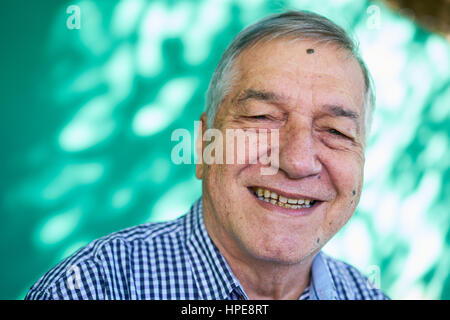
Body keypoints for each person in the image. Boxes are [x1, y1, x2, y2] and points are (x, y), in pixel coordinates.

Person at [26, 10, 390, 300]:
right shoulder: (91, 290)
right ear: (203, 146)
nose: (297, 161)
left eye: (336, 132)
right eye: (261, 117)